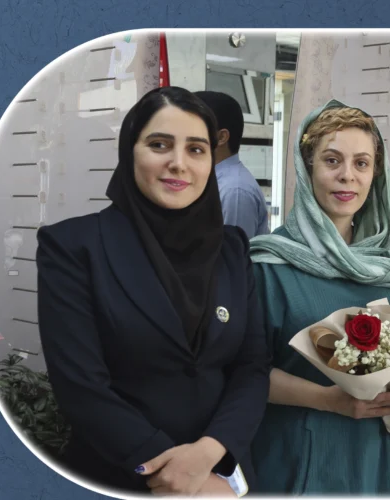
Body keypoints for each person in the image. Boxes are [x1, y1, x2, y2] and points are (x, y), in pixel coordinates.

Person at [36, 86, 271, 497]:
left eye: (196, 149)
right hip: (118, 476)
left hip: (223, 479)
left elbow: (252, 367)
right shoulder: (74, 247)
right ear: (130, 151)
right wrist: (170, 472)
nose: (178, 163)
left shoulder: (231, 248)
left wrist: (210, 457)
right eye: (159, 145)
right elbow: (80, 385)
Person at [246, 100, 390, 495]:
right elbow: (244, 373)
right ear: (307, 169)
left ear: (376, 175)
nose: (347, 176)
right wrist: (329, 400)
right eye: (332, 160)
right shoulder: (267, 265)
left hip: (382, 456)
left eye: (361, 163)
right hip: (302, 456)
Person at [194, 90, 270, 238]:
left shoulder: (234, 191)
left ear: (221, 137)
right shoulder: (212, 180)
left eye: (194, 127)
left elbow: (233, 251)